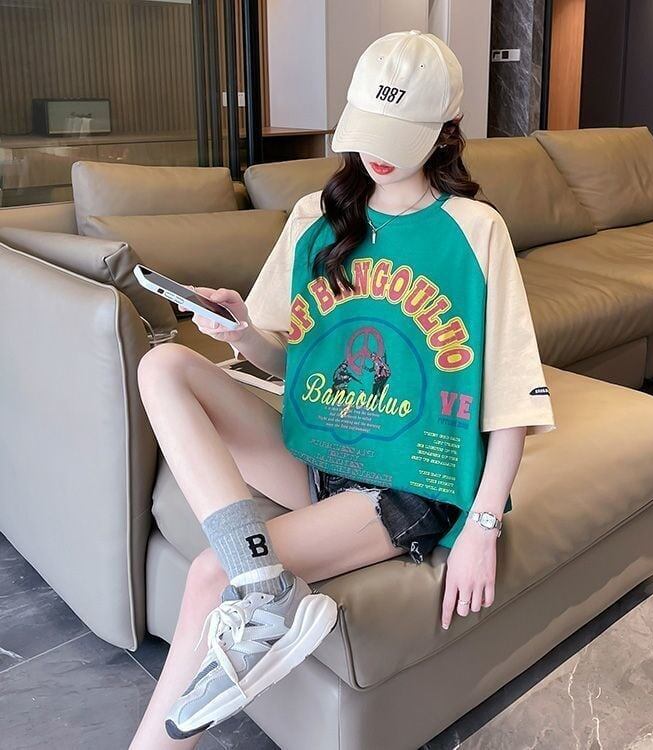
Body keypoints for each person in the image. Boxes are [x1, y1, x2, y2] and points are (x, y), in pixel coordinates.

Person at [130, 28, 556, 749]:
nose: (377, 153)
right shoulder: (314, 219)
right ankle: (264, 585)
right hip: (320, 452)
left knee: (208, 575)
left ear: (447, 129)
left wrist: (481, 527)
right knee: (162, 366)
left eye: (400, 134)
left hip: (407, 482)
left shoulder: (475, 231)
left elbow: (510, 397)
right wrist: (241, 333)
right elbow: (287, 364)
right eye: (369, 129)